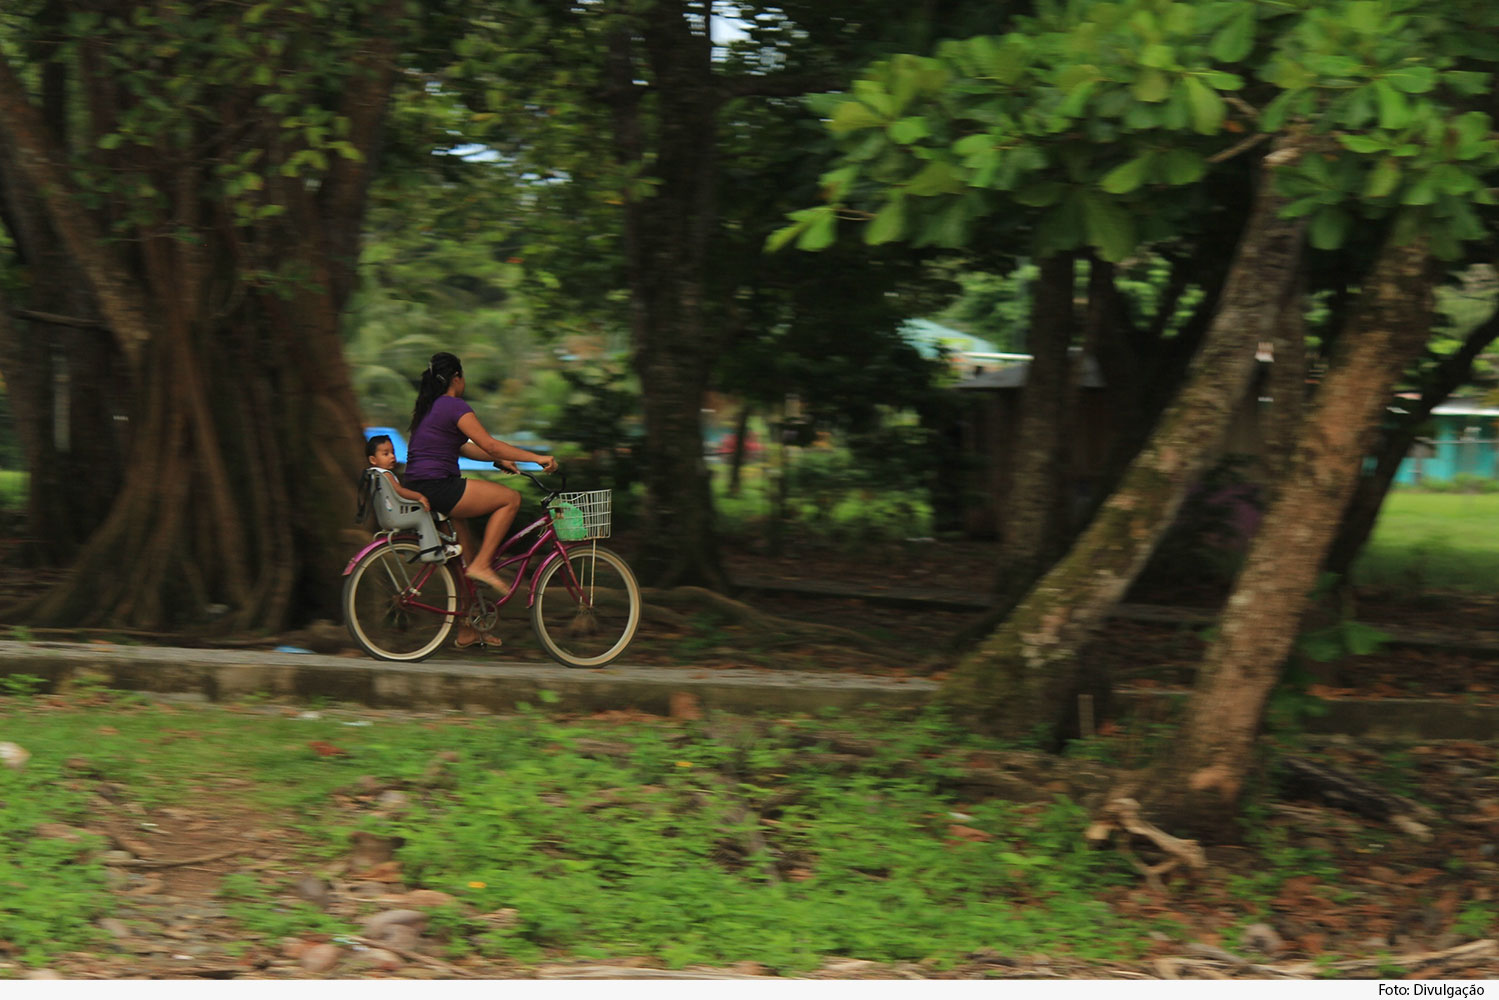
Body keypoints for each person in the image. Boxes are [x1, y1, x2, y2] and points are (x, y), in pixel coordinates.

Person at [402, 352, 557, 647]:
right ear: (456, 378)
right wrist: (537, 458)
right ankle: (485, 565)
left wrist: (496, 461)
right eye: (463, 377)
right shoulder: (453, 405)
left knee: (465, 555)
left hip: (422, 485)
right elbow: (489, 443)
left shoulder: (431, 407)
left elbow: (468, 448)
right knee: (509, 499)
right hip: (439, 487)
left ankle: (466, 628)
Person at [365, 435, 461, 562]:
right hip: (396, 515)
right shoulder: (386, 475)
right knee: (423, 516)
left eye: (392, 452)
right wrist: (419, 497)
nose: (392, 456)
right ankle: (434, 551)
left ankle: (412, 551)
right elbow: (399, 491)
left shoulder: (374, 474)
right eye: (386, 454)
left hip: (387, 517)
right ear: (373, 459)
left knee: (417, 517)